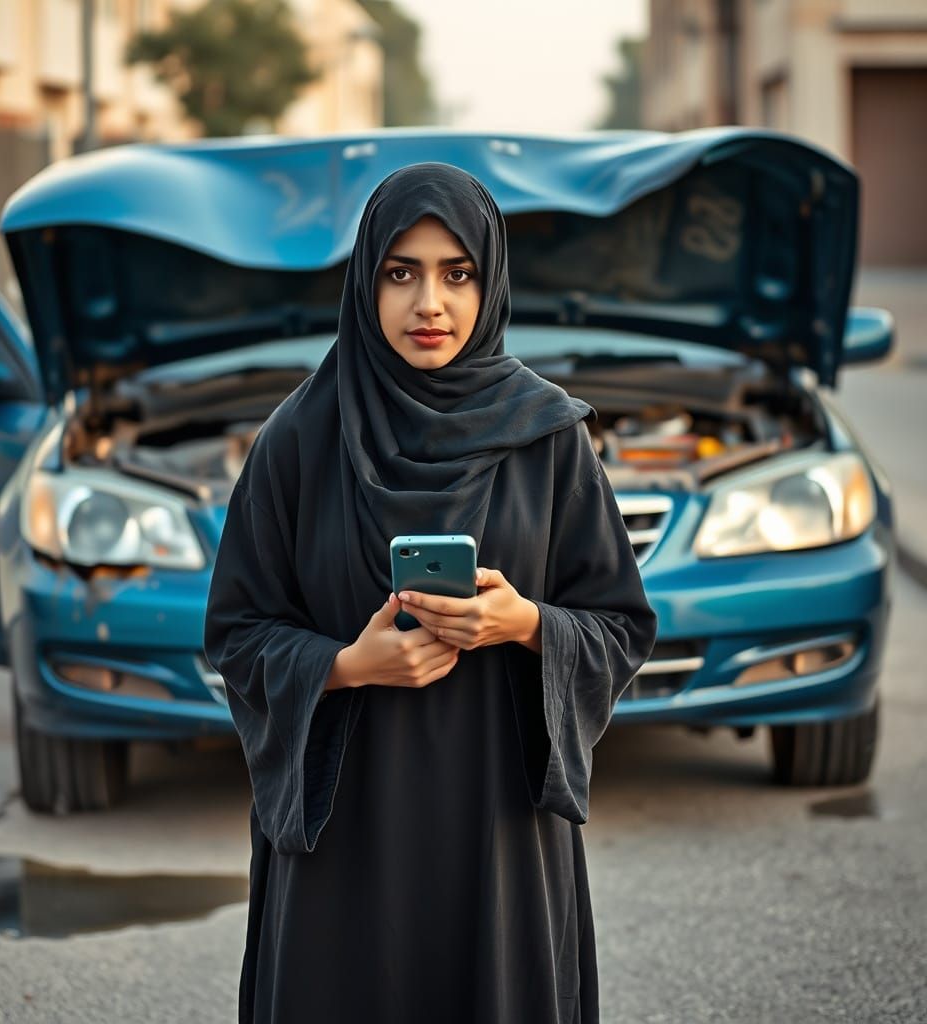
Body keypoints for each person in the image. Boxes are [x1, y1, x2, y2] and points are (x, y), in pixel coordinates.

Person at [203, 162, 658, 1024]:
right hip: (344, 844)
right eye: (400, 272)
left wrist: (527, 624)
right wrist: (343, 666)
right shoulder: (297, 442)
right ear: (365, 278)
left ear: (490, 283)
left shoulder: (549, 437)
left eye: (458, 274)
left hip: (498, 837)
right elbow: (235, 632)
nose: (430, 305)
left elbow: (622, 625)